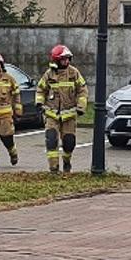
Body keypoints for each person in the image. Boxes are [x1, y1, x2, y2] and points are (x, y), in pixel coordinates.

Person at [38, 44, 87, 174]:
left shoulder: (74, 73)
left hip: (69, 115)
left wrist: (81, 106)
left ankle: (66, 161)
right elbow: (41, 89)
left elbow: (82, 90)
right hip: (51, 114)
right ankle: (53, 168)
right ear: (56, 60)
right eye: (63, 59)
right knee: (51, 139)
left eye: (67, 59)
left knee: (69, 142)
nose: (66, 61)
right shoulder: (49, 74)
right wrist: (39, 102)